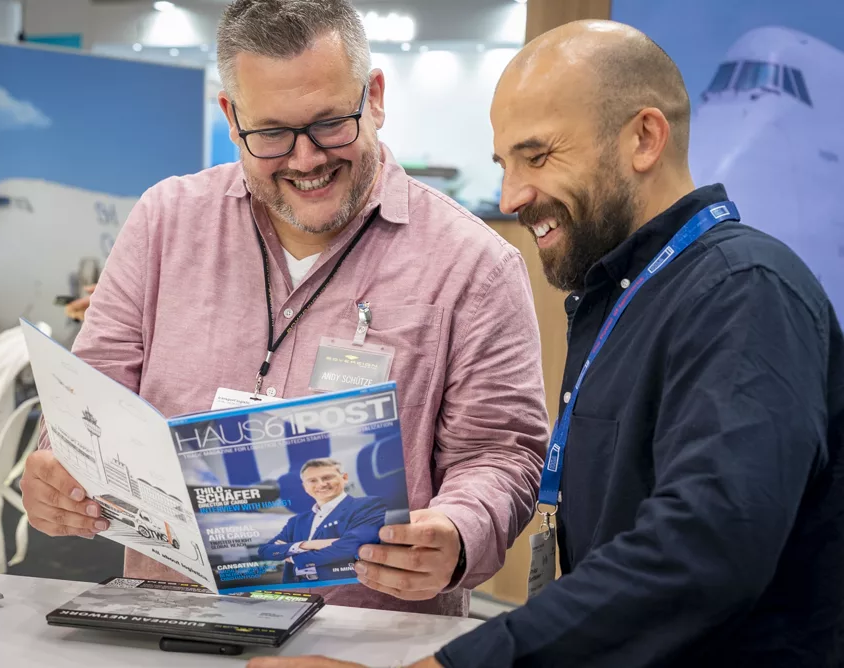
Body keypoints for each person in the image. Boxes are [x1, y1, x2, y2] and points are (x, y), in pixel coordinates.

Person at [248, 19, 844, 668]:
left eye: (538, 156)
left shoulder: (744, 291)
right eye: (505, 165)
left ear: (645, 138)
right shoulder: (628, 294)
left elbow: (704, 547)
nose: (512, 196)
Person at [20, 0, 550, 617]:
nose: (305, 160)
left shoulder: (473, 265)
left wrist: (458, 533)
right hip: (171, 624)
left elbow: (501, 454)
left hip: (364, 641)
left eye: (330, 123)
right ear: (230, 115)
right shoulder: (165, 225)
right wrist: (56, 468)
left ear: (374, 98)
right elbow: (85, 406)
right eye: (271, 133)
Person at [257, 458, 388, 583]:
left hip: (342, 587)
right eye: (312, 480)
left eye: (327, 477)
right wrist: (306, 545)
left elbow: (351, 547)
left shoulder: (368, 505)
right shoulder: (296, 521)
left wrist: (292, 556)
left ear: (344, 478)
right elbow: (265, 551)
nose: (321, 484)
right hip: (300, 589)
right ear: (305, 487)